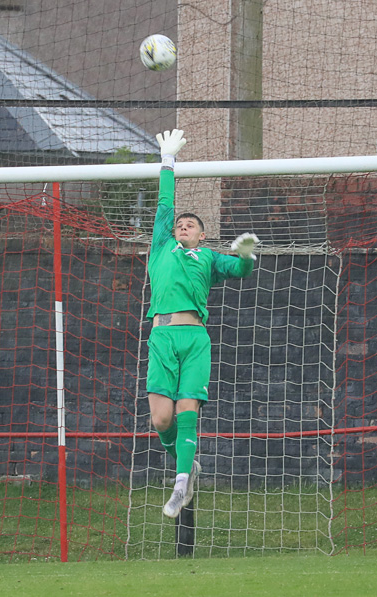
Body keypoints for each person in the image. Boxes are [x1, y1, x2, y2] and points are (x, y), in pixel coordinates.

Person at [147, 129, 258, 519]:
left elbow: (241, 269)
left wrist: (246, 255)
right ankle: (185, 462)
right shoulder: (160, 248)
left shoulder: (209, 259)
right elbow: (164, 204)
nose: (183, 226)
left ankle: (180, 484)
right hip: (161, 337)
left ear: (203, 234)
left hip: (194, 338)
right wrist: (167, 161)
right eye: (181, 224)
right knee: (161, 419)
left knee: (186, 408)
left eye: (191, 224)